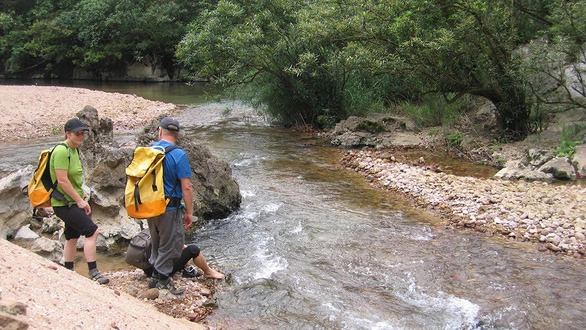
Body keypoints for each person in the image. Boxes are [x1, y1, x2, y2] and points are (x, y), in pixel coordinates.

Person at [147, 116, 224, 295]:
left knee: (156, 240)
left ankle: (155, 276)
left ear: (160, 131)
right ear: (177, 134)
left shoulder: (149, 150)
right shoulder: (178, 154)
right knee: (173, 244)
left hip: (149, 205)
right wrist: (189, 212)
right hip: (170, 207)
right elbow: (186, 187)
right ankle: (164, 281)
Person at [50, 118, 109, 284]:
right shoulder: (62, 151)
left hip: (72, 201)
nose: (81, 136)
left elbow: (75, 181)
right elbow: (62, 181)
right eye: (78, 134)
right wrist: (79, 201)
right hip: (63, 203)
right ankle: (93, 272)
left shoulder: (74, 150)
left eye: (83, 133)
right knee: (92, 231)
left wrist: (83, 199)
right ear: (67, 134)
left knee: (72, 235)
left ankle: (68, 269)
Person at [144, 243, 224, 288]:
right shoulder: (171, 228)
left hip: (147, 268)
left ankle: (187, 268)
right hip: (161, 271)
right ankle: (208, 272)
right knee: (193, 249)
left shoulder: (155, 224)